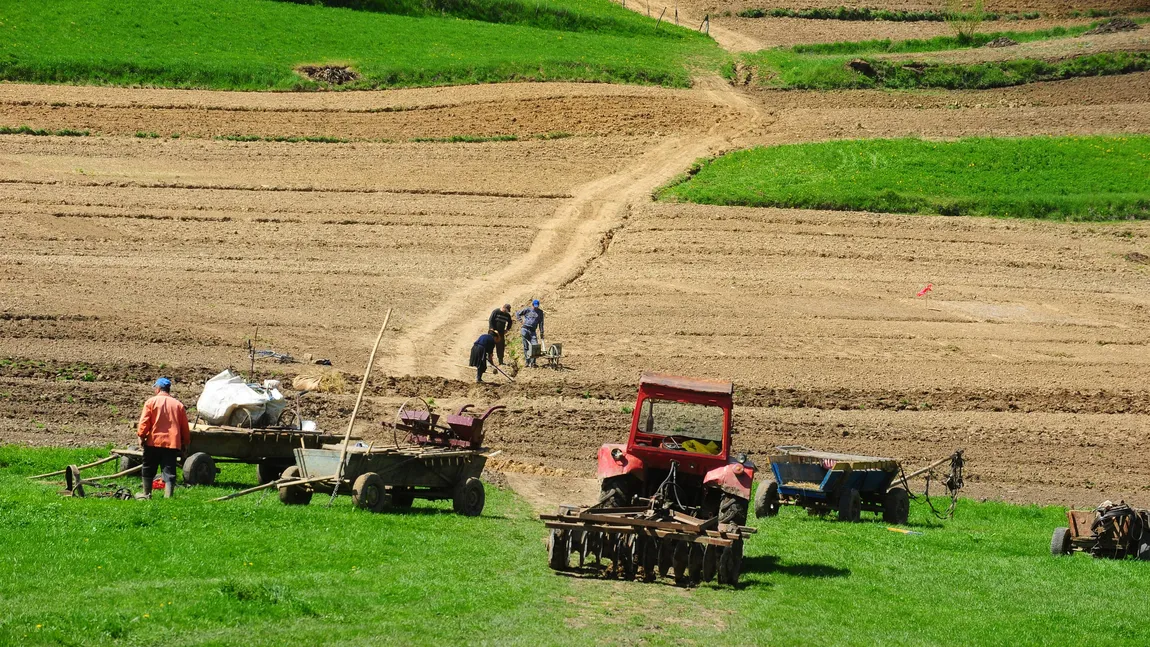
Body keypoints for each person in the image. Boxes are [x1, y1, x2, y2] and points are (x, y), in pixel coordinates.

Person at [136, 377, 191, 499]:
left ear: (158, 388)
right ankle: (168, 496)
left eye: (155, 387)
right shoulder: (178, 405)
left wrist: (141, 435)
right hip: (171, 443)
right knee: (169, 469)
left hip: (153, 442)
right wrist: (186, 442)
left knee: (148, 467)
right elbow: (184, 427)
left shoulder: (151, 402)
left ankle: (146, 494)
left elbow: (145, 422)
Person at [515, 299, 545, 367]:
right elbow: (517, 313)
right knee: (526, 346)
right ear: (532, 305)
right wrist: (521, 321)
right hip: (525, 329)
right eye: (535, 306)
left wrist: (542, 332)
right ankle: (527, 362)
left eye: (537, 306)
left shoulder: (540, 312)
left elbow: (541, 323)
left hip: (533, 331)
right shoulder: (527, 310)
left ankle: (533, 362)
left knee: (535, 345)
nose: (536, 307)